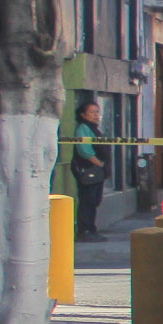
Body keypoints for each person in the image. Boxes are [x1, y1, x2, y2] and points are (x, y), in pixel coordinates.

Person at [70, 95, 109, 240]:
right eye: (92, 112)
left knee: (94, 200)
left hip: (96, 171)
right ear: (83, 114)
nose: (96, 115)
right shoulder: (83, 128)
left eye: (97, 111)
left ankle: (91, 229)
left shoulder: (94, 129)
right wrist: (100, 164)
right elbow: (85, 151)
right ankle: (84, 231)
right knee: (87, 200)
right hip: (87, 170)